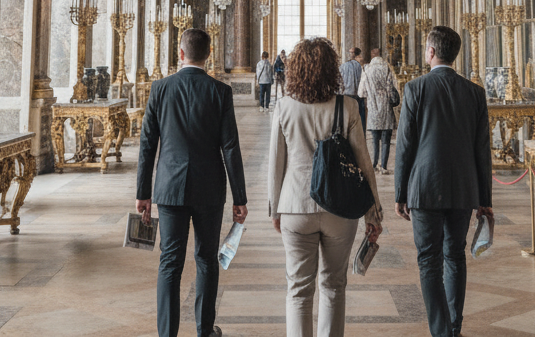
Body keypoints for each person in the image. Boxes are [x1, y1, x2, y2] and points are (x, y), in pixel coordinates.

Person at [136, 28, 248, 337]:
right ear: (208, 55)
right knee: (206, 260)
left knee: (170, 262)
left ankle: (166, 334)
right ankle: (204, 331)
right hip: (209, 188)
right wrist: (240, 197)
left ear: (180, 53)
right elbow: (230, 146)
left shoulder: (160, 88)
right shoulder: (219, 91)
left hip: (169, 188)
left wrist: (143, 193)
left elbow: (148, 144)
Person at [269, 38, 383, 337]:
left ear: (295, 70)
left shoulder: (284, 107)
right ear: (333, 70)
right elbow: (363, 162)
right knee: (334, 286)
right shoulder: (347, 107)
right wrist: (373, 213)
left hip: (295, 206)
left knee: (298, 290)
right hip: (339, 208)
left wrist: (274, 209)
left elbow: (276, 164)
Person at [394, 26, 492, 337]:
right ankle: (454, 326)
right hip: (464, 189)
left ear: (432, 52)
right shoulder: (475, 92)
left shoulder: (415, 88)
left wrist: (400, 192)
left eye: (426, 48)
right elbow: (482, 150)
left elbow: (405, 145)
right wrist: (485, 199)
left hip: (424, 188)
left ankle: (441, 332)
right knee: (455, 255)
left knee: (428, 261)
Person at [358, 47, 399, 174]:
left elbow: (361, 92)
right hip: (386, 108)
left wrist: (371, 94)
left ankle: (374, 164)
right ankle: (384, 167)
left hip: (373, 109)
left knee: (375, 140)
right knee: (386, 140)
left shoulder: (367, 69)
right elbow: (392, 87)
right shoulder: (387, 67)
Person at [340, 46, 366, 130]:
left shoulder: (343, 66)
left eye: (351, 52)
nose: (350, 54)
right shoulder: (361, 66)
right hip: (358, 94)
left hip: (347, 94)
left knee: (347, 117)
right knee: (360, 118)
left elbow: (339, 81)